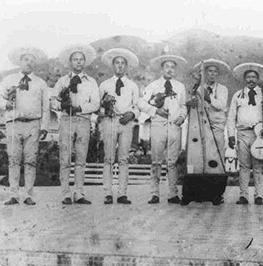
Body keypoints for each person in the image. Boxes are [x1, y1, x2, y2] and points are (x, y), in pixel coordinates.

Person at [0, 46, 49, 205]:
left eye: (32, 61)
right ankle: (13, 194)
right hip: (13, 124)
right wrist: (6, 104)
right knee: (13, 159)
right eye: (26, 60)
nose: (29, 63)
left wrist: (44, 126)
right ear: (20, 61)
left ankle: (28, 195)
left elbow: (45, 106)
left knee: (31, 160)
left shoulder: (40, 83)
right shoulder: (9, 80)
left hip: (32, 124)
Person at [50, 44, 100, 205]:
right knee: (65, 158)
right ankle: (65, 193)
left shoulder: (91, 82)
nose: (78, 62)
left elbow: (96, 104)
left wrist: (80, 108)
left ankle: (79, 193)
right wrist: (61, 105)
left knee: (81, 158)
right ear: (70, 62)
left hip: (83, 121)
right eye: (75, 60)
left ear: (85, 62)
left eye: (81, 60)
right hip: (66, 120)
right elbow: (53, 101)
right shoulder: (62, 81)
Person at [138, 54, 187, 204]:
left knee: (172, 162)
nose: (170, 70)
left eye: (173, 67)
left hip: (174, 127)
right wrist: (155, 111)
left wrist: (182, 117)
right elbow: (141, 103)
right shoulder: (153, 86)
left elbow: (183, 105)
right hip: (158, 125)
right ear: (162, 68)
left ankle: (172, 193)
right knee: (156, 161)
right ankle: (154, 193)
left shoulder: (180, 86)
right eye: (167, 66)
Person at [227, 63, 263, 205]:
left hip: (259, 135)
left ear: (258, 79)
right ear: (244, 79)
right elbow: (231, 117)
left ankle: (259, 195)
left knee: (258, 166)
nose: (251, 80)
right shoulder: (238, 95)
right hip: (242, 133)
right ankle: (243, 195)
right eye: (248, 77)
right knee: (244, 166)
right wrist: (231, 135)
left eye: (254, 77)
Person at [99, 48, 140, 205]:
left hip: (126, 123)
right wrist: (106, 110)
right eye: (117, 63)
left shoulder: (132, 86)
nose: (120, 66)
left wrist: (132, 114)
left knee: (123, 158)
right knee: (109, 158)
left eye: (123, 63)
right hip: (110, 122)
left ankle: (122, 193)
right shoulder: (104, 85)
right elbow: (98, 108)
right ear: (112, 65)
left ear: (126, 66)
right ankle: (107, 193)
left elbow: (137, 107)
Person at [189, 58, 230, 163]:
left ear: (217, 74)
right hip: (203, 124)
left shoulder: (222, 89)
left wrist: (209, 98)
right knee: (202, 151)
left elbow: (221, 105)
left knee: (218, 152)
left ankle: (218, 176)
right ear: (205, 73)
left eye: (215, 71)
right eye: (210, 71)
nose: (212, 74)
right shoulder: (198, 89)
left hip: (217, 125)